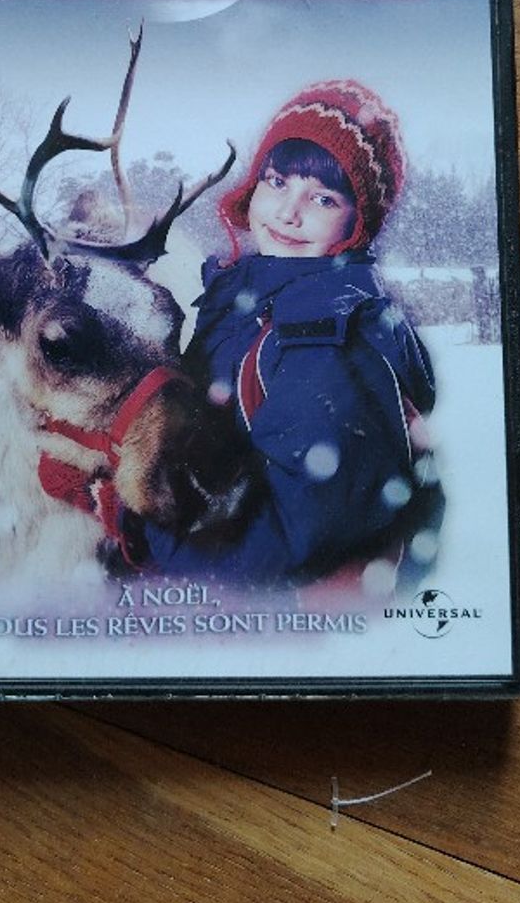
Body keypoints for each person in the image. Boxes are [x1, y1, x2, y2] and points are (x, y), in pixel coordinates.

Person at [121, 79, 442, 586]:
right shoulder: (250, 298)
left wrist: (132, 520)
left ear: (358, 224)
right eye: (277, 182)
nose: (289, 212)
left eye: (324, 199)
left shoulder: (322, 345)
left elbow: (280, 550)